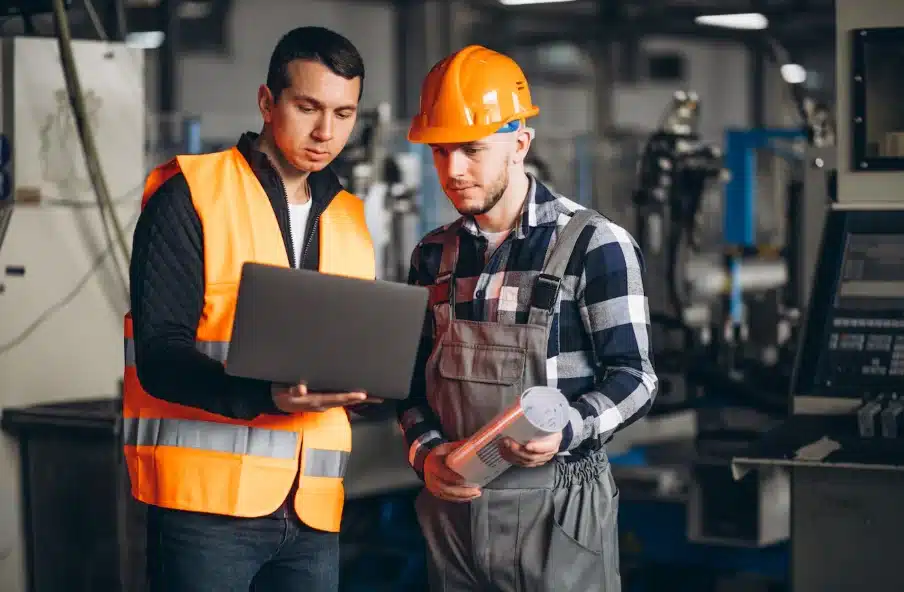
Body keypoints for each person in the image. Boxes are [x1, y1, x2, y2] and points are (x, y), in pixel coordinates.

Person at [125, 26, 378, 592]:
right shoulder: (190, 195)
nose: (325, 131)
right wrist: (263, 397)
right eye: (308, 107)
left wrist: (378, 387)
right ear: (267, 101)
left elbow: (353, 349)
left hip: (313, 510)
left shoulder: (349, 218)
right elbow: (161, 353)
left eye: (343, 113)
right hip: (205, 513)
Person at [398, 45, 658, 592]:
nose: (453, 169)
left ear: (520, 144)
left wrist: (569, 427)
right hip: (455, 518)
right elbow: (409, 382)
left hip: (558, 515)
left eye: (471, 149)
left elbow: (635, 378)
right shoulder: (432, 256)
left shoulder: (593, 244)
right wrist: (426, 455)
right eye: (440, 151)